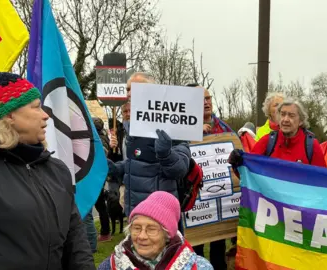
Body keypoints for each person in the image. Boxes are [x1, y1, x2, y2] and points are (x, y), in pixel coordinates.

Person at [0, 72, 94, 269]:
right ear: (8, 115)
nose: (46, 115)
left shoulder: (56, 170)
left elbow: (75, 241)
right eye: (36, 107)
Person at [108, 72, 191, 221]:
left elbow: (180, 170)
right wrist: (116, 168)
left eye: (136, 88)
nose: (129, 94)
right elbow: (136, 163)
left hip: (159, 215)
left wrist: (166, 155)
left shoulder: (174, 125)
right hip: (135, 212)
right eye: (127, 89)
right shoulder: (132, 129)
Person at [98, 191, 213, 270]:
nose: (142, 236)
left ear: (167, 235)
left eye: (151, 229)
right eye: (137, 228)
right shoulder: (110, 266)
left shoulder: (199, 267)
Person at [188, 84, 231, 269]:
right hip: (194, 201)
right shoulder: (183, 128)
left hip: (217, 201)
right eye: (201, 99)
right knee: (194, 250)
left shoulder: (224, 127)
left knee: (218, 248)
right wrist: (195, 131)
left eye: (208, 98)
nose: (206, 103)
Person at [233, 98, 326, 167]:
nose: (285, 119)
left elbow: (322, 181)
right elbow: (248, 173)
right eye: (282, 114)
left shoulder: (311, 145)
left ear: (301, 121)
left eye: (291, 115)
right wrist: (237, 163)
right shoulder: (267, 141)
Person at [92, 117, 113, 242]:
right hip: (99, 174)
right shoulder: (103, 136)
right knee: (100, 205)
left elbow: (102, 154)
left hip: (97, 174)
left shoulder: (99, 139)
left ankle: (105, 232)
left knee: (100, 205)